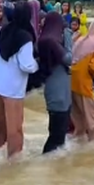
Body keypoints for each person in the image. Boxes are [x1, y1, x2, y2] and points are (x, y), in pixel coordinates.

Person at [0, 1, 38, 157]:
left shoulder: (3, 29)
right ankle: (13, 164)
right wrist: (38, 64)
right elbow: (26, 66)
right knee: (14, 128)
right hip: (12, 88)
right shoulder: (26, 37)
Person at [38, 12, 72, 153]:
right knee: (56, 137)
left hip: (59, 92)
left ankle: (54, 167)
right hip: (58, 95)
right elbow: (69, 59)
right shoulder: (51, 42)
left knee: (58, 134)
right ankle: (46, 164)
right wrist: (69, 40)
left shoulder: (45, 40)